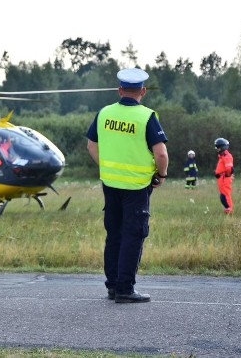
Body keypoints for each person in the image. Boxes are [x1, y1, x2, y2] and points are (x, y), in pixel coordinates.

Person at [86, 68, 169, 304]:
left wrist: (107, 167)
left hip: (110, 185)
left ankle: (112, 286)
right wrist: (161, 176)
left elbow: (91, 145)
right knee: (133, 235)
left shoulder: (104, 113)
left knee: (114, 235)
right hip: (136, 187)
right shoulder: (146, 116)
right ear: (143, 91)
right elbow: (161, 154)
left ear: (120, 90)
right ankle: (125, 288)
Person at [214, 137, 234, 214]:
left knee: (225, 196)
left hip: (224, 179)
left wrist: (225, 175)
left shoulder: (227, 156)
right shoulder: (222, 156)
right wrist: (217, 173)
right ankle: (228, 210)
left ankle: (230, 210)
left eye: (218, 147)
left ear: (223, 147)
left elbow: (229, 169)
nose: (217, 149)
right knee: (223, 196)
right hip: (221, 179)